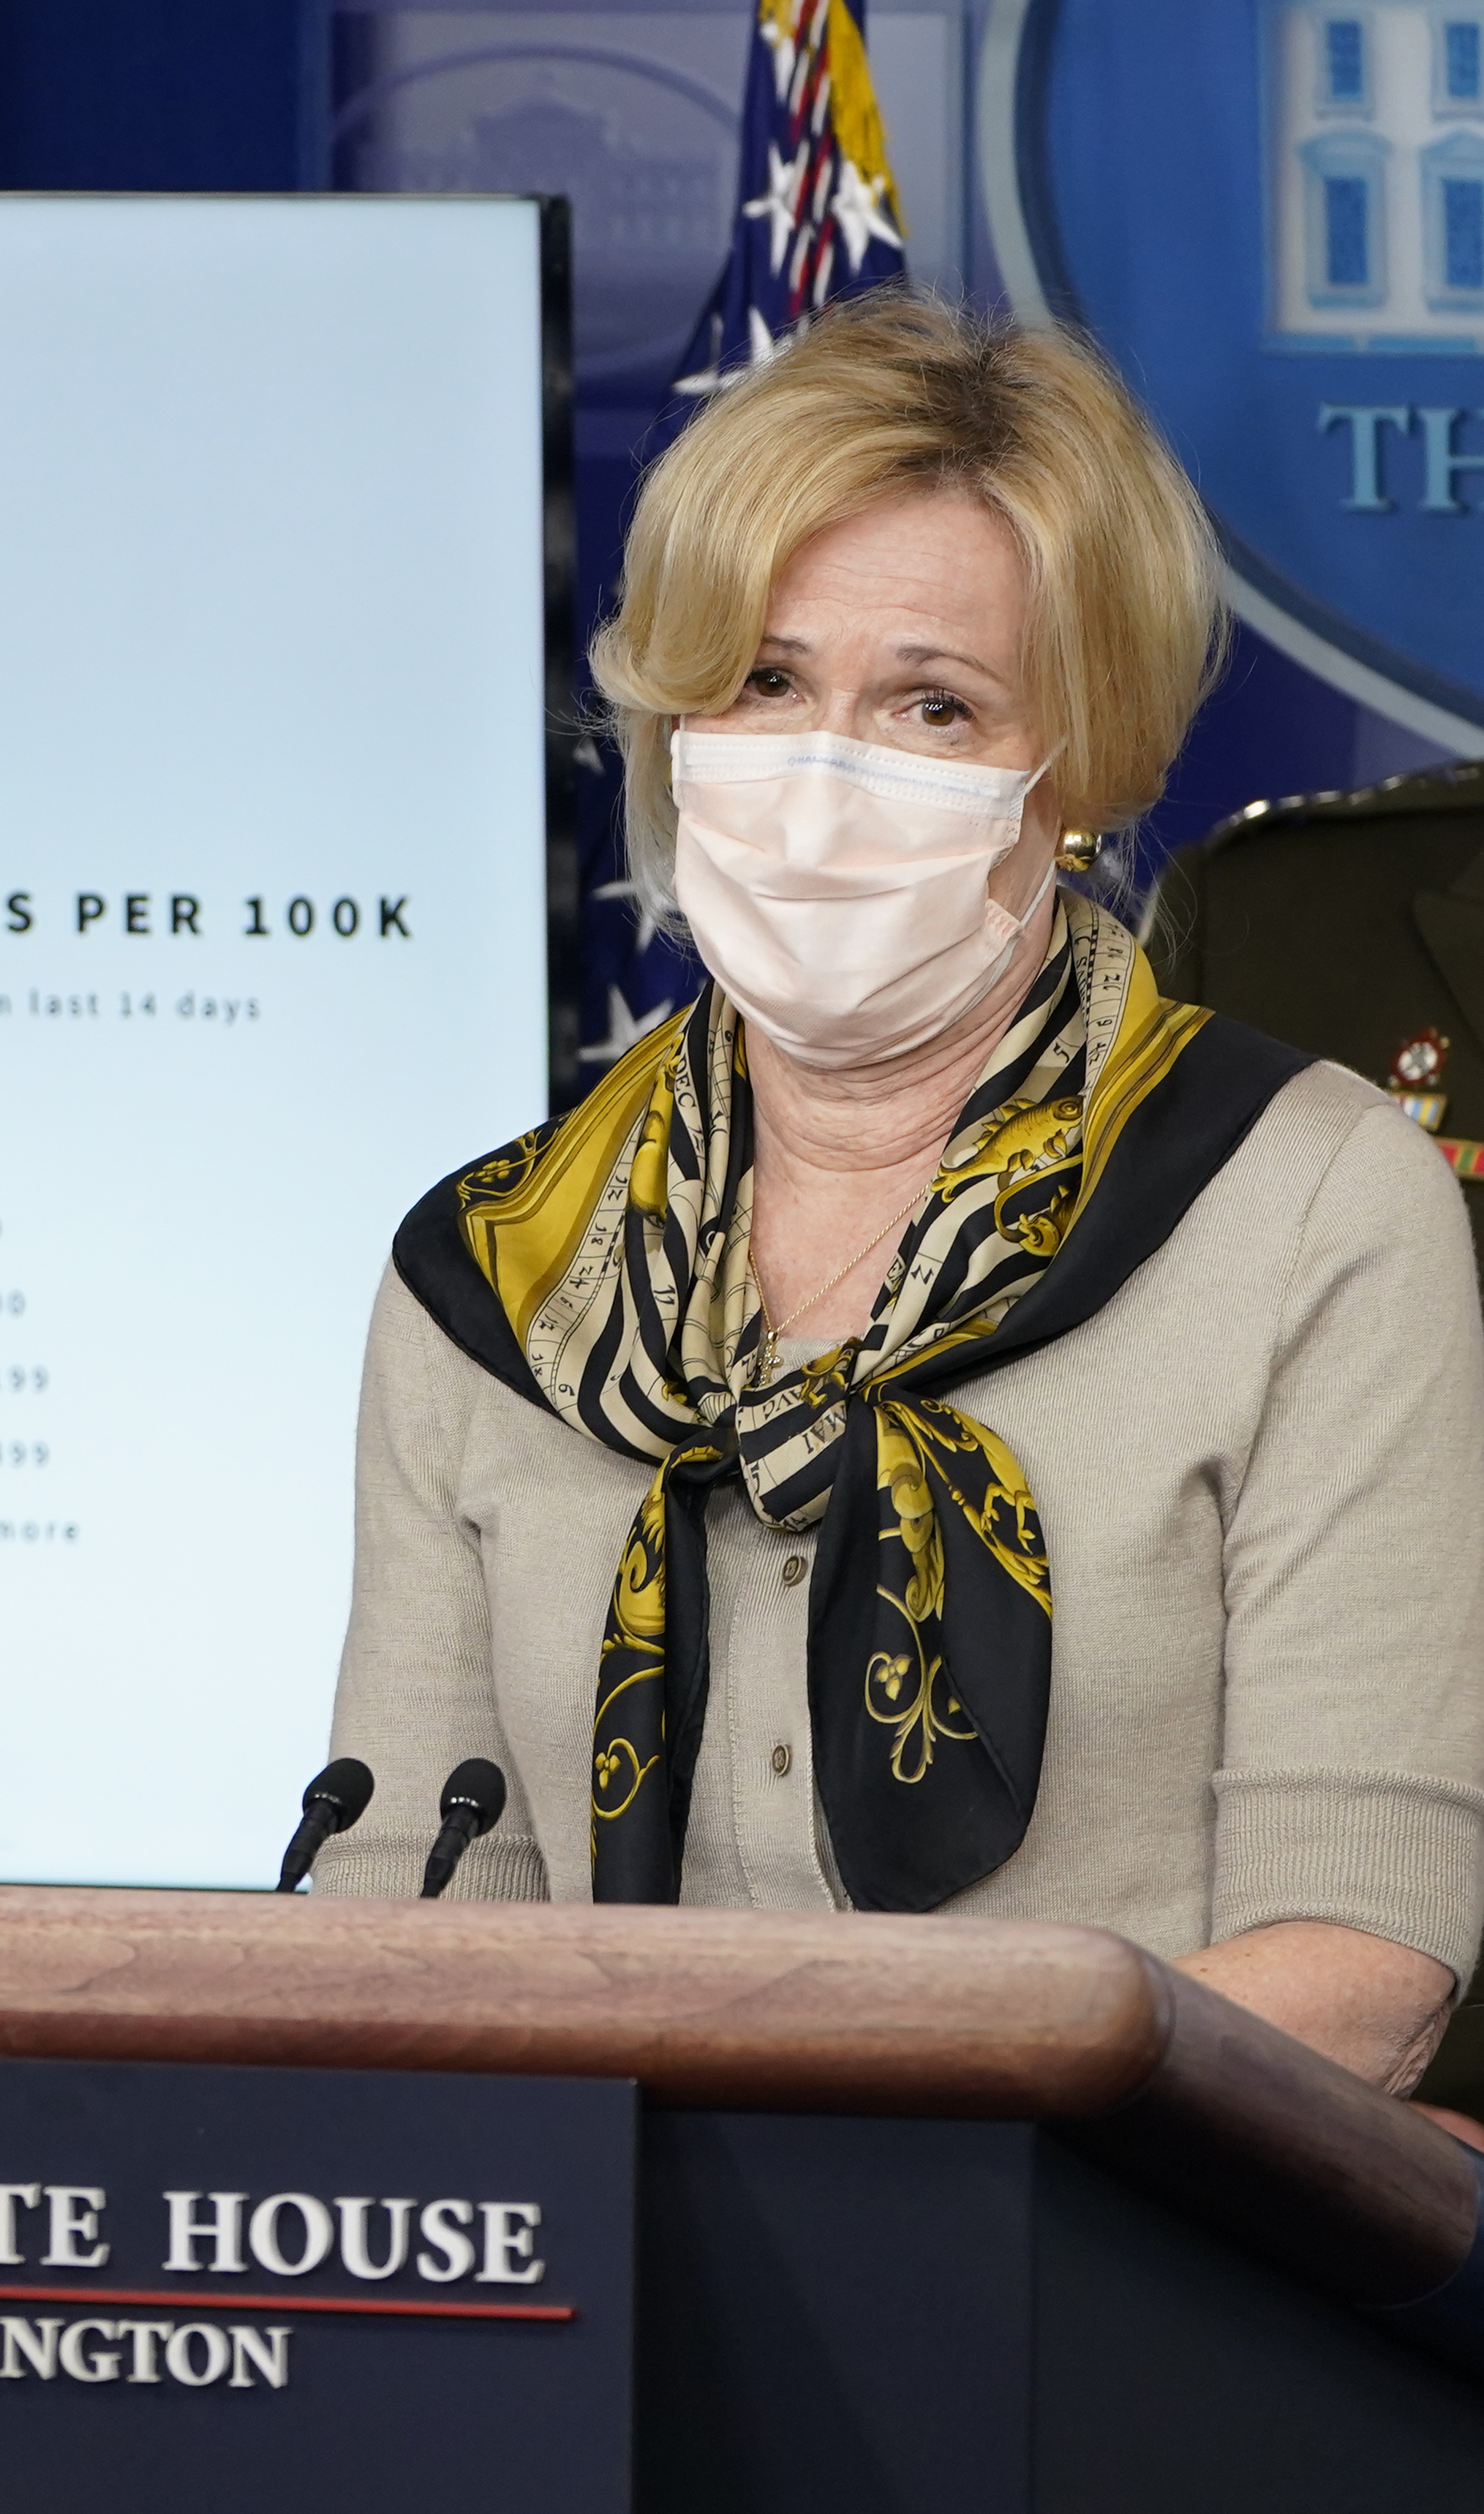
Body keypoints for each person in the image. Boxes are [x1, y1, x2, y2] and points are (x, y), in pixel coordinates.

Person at [314, 291, 1484, 2099]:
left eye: (931, 703)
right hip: (588, 2329)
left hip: (1116, 2314)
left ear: (1073, 772)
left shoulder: (1312, 1210)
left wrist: (891, 2173)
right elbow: (397, 1929)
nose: (820, 771)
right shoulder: (488, 1277)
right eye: (765, 683)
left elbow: (1357, 1968)